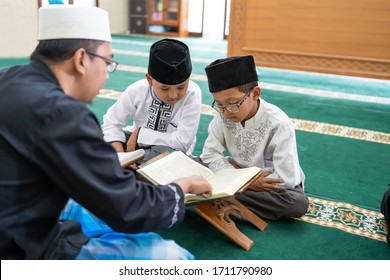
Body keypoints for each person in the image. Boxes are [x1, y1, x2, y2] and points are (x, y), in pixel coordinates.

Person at [0, 5, 211, 260]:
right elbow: (130, 208)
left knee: (90, 212)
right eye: (108, 62)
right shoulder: (64, 114)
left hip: (22, 209)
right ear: (81, 60)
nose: (107, 77)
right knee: (171, 257)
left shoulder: (6, 77)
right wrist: (181, 186)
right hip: (23, 245)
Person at [200, 55, 309, 220]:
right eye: (219, 104)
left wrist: (245, 179)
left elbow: (286, 178)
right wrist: (244, 179)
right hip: (235, 175)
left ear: (255, 93)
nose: (226, 111)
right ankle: (222, 195)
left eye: (233, 103)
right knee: (190, 163)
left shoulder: (278, 122)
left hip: (270, 186)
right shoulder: (222, 114)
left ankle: (215, 196)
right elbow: (209, 154)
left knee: (297, 203)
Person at [101, 38, 201, 164]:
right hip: (133, 142)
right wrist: (121, 157)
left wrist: (141, 134)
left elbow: (182, 142)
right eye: (164, 88)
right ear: (149, 79)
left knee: (168, 157)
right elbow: (112, 124)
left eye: (181, 87)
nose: (173, 95)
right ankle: (131, 166)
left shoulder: (192, 93)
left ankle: (128, 165)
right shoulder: (137, 90)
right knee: (96, 138)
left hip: (169, 149)